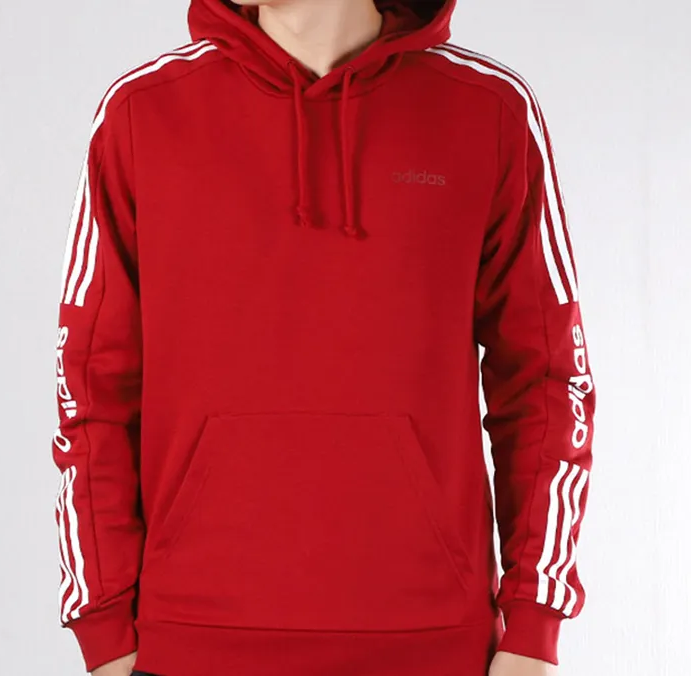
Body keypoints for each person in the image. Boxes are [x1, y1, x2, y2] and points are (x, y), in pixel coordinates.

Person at [52, 0, 596, 674]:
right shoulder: (143, 114)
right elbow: (90, 386)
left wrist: (535, 625)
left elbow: (547, 380)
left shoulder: (488, 111)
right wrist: (104, 627)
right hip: (192, 643)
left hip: (431, 647)